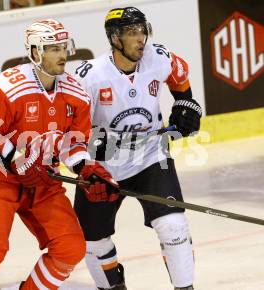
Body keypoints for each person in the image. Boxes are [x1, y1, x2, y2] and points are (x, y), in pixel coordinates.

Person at [0, 19, 119, 290]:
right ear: (35, 52)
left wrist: (86, 169)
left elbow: (73, 145)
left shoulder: (76, 93)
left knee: (70, 247)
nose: (63, 55)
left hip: (43, 180)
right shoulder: (10, 85)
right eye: (53, 48)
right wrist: (15, 160)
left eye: (63, 47)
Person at [73, 7, 201, 290]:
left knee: (173, 226)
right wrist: (84, 162)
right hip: (104, 165)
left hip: (151, 156)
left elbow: (180, 79)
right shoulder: (90, 76)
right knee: (92, 240)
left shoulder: (159, 57)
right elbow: (74, 129)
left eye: (142, 30)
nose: (140, 38)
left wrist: (185, 104)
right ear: (114, 38)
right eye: (132, 32)